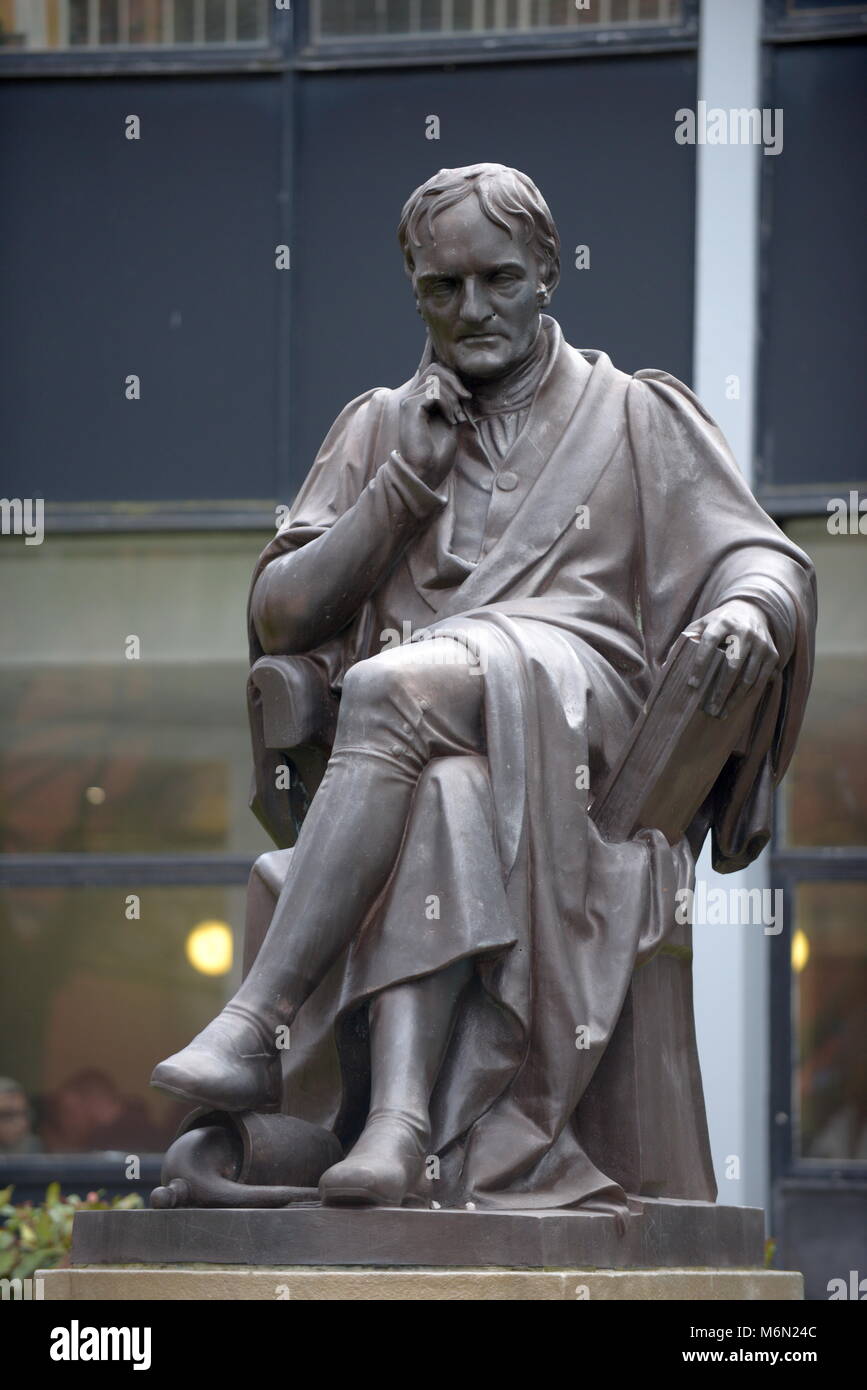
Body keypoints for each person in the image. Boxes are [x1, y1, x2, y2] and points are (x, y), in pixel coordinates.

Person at [152, 164, 815, 1212]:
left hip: (577, 701)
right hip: (437, 748)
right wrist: (400, 490)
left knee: (389, 691)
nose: (471, 311)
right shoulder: (378, 427)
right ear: (414, 288)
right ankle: (401, 1126)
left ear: (548, 271)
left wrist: (749, 613)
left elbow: (761, 558)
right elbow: (284, 612)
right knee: (448, 787)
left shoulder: (637, 415)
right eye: (441, 288)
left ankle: (255, 1018)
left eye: (498, 279)